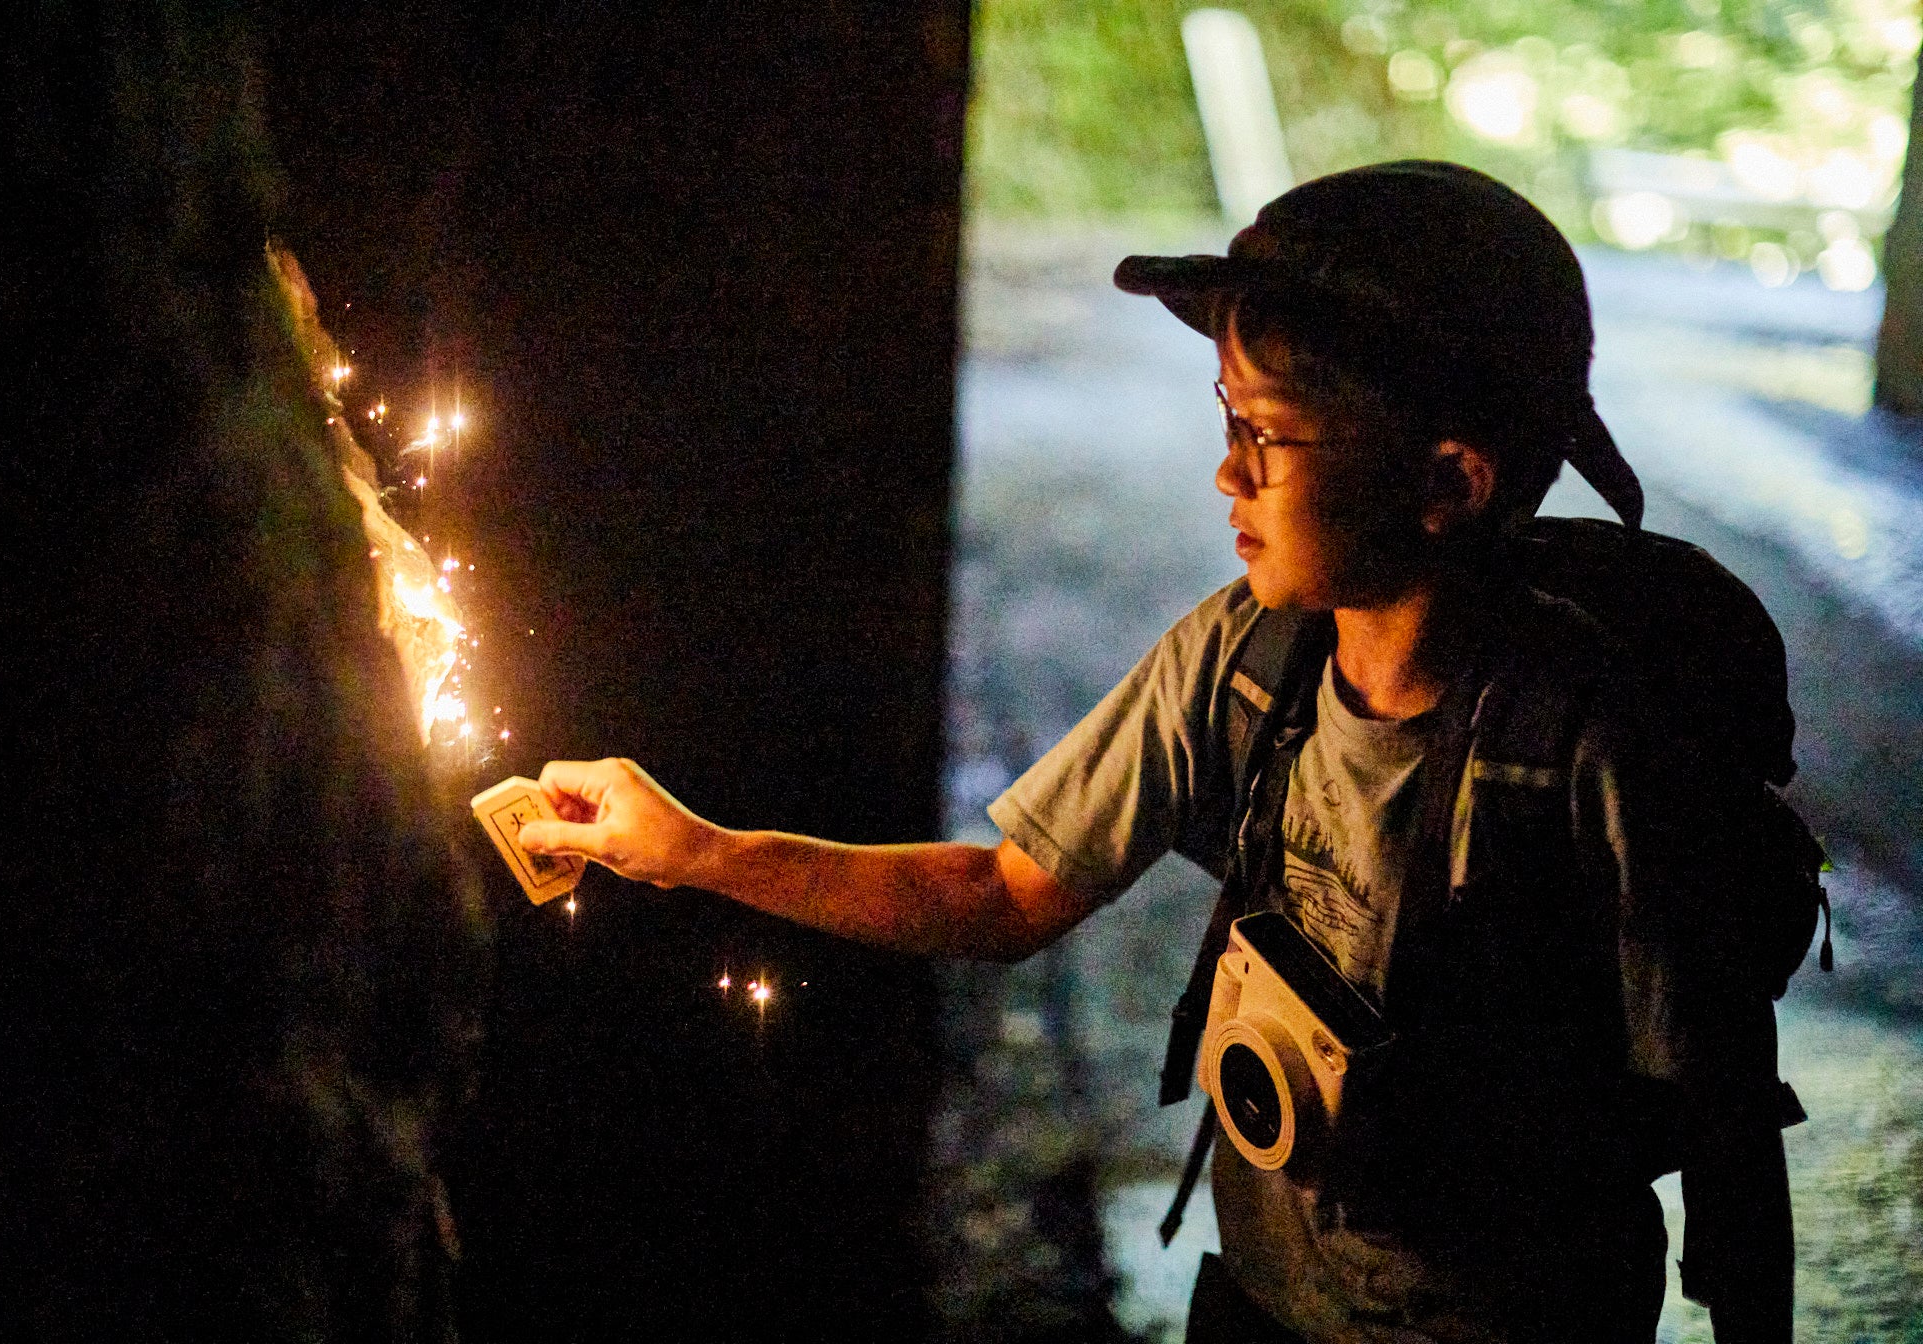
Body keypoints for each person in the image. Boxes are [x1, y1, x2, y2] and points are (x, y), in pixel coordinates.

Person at [518, 161, 1794, 1342]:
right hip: (1260, 1313)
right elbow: (1004, 893)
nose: (1226, 474)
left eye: (1271, 435)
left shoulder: (1581, 747)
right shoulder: (1240, 664)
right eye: (1226, 416)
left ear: (1449, 482)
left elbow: (1726, 1122)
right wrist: (697, 852)